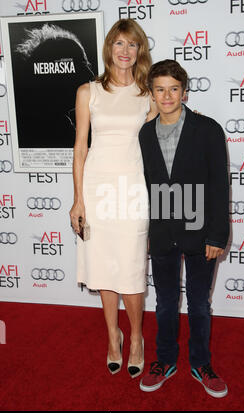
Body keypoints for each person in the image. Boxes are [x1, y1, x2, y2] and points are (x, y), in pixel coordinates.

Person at [69, 19, 156, 378]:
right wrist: (78, 200)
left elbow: (159, 143)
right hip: (97, 189)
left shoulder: (147, 93)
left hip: (133, 189)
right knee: (104, 267)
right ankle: (112, 337)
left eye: (131, 45)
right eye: (118, 44)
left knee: (132, 268)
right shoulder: (88, 92)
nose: (124, 51)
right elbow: (79, 148)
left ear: (140, 51)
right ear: (109, 49)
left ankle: (136, 338)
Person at [138, 60, 229, 397]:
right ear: (151, 93)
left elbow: (220, 185)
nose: (166, 95)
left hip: (201, 231)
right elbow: (146, 186)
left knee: (199, 304)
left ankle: (201, 363)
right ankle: (165, 360)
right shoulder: (145, 134)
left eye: (173, 89)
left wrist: (218, 235)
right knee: (164, 303)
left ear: (184, 92)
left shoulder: (208, 129)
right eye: (159, 89)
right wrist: (147, 231)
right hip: (162, 232)